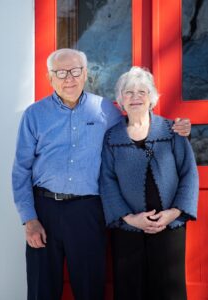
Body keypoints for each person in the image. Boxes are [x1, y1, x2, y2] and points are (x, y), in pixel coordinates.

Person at [12, 49, 191, 300]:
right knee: (42, 289)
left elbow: (139, 122)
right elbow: (21, 170)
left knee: (89, 289)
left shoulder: (105, 110)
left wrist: (176, 126)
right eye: (60, 73)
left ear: (85, 74)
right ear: (49, 77)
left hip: (88, 211)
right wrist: (29, 219)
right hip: (44, 211)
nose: (69, 78)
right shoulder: (34, 115)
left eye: (75, 71)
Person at [100, 67, 199, 300]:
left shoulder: (171, 131)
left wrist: (173, 213)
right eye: (129, 92)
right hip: (127, 230)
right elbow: (107, 181)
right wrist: (130, 219)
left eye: (142, 92)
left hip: (169, 227)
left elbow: (189, 174)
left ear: (152, 98)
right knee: (129, 289)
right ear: (120, 100)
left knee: (169, 289)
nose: (135, 97)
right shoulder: (112, 138)